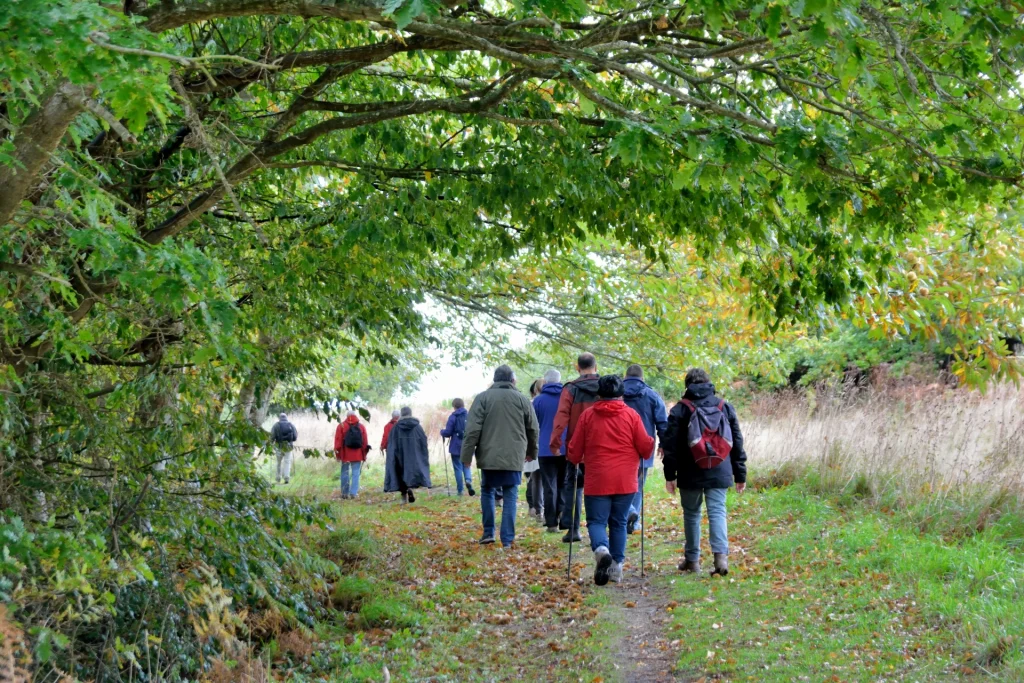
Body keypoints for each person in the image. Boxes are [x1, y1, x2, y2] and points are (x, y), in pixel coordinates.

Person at [568, 375, 655, 585]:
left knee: (596, 521)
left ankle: (601, 549)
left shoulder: (588, 416)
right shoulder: (631, 415)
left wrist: (574, 457)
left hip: (597, 478)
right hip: (625, 480)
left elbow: (574, 450)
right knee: (619, 522)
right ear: (621, 394)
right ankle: (616, 568)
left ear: (599, 394)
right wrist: (651, 442)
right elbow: (645, 448)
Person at [662, 368, 747, 576]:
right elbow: (736, 441)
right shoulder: (724, 407)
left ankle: (692, 560)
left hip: (689, 471)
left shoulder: (680, 410)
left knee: (692, 514)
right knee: (717, 511)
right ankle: (721, 559)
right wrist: (740, 473)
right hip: (720, 467)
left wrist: (670, 475)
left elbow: (670, 446)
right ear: (709, 384)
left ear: (687, 386)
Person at [461, 365, 539, 548]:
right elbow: (533, 429)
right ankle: (507, 539)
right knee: (510, 494)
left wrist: (466, 455)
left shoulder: (482, 398)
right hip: (514, 455)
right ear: (512, 380)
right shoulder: (522, 399)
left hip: (489, 455)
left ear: (495, 380)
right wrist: (532, 452)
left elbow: (472, 430)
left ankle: (488, 533)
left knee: (487, 491)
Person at [550, 352, 601, 543]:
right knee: (601, 486)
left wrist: (555, 443)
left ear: (577, 367)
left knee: (574, 487)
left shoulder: (571, 389)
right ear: (596, 367)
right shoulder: (605, 386)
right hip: (602, 447)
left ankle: (573, 529)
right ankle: (600, 526)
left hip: (576, 447)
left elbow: (561, 416)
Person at [622, 364, 668, 534]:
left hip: (619, 449)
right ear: (642, 378)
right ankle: (634, 520)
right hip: (643, 449)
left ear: (625, 376)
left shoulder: (615, 393)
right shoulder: (651, 395)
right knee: (638, 486)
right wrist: (663, 444)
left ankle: (627, 514)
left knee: (619, 485)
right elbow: (663, 423)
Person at [533, 368, 567, 533]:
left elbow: (534, 426)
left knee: (549, 485)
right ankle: (561, 514)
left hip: (545, 449)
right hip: (565, 447)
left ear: (545, 382)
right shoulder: (567, 398)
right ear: (560, 380)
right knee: (562, 483)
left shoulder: (538, 401)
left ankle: (551, 522)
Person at [385, 407, 432, 503]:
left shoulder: (396, 427)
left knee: (400, 472)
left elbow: (391, 443)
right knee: (411, 473)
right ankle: (410, 487)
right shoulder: (417, 427)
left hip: (400, 455)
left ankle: (404, 496)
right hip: (414, 456)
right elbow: (423, 441)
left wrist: (392, 455)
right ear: (411, 413)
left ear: (401, 414)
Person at [440, 398, 476, 496]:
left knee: (458, 468)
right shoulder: (469, 416)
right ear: (463, 405)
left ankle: (460, 491)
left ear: (454, 406)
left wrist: (441, 432)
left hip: (456, 446)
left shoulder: (453, 416)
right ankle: (468, 481)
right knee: (467, 465)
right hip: (468, 445)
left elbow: (447, 432)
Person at [334, 410, 369, 499]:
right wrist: (364, 455)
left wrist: (337, 454)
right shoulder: (361, 427)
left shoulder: (341, 426)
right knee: (355, 473)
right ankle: (353, 493)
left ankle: (344, 493)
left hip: (345, 454)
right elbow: (365, 442)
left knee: (344, 472)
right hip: (357, 454)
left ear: (347, 416)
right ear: (355, 416)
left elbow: (338, 442)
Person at [524, 379, 544, 518]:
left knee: (535, 478)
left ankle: (536, 509)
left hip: (535, 444)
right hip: (552, 445)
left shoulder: (532, 403)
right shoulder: (560, 401)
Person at [269, 413, 297, 484]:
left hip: (279, 446)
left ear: (279, 418)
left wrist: (271, 444)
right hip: (288, 447)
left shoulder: (276, 425)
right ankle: (286, 478)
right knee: (287, 462)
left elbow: (272, 436)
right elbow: (295, 437)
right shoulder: (291, 425)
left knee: (278, 462)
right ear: (286, 418)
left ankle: (278, 478)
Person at [381, 409, 400, 492]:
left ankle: (390, 486)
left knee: (390, 467)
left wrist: (382, 446)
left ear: (392, 417)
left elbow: (385, 437)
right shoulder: (402, 425)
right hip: (401, 449)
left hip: (391, 449)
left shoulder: (387, 426)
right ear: (399, 417)